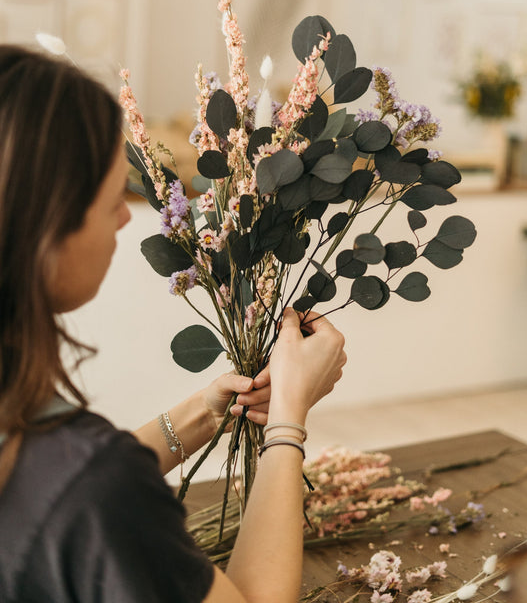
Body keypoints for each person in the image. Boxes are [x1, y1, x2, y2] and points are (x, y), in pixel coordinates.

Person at [0, 44, 347, 603]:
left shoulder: (60, 461)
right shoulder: (95, 490)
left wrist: (202, 414)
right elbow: (84, 489)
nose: (124, 217)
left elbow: (55, 483)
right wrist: (288, 418)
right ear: (46, 221)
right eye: (115, 196)